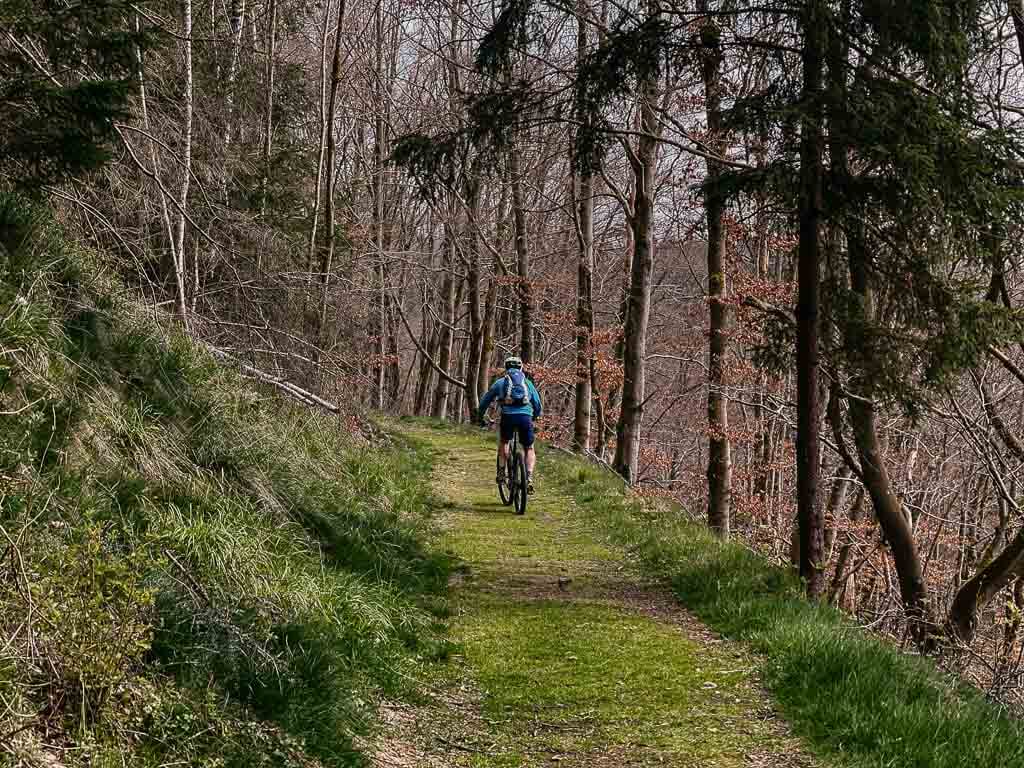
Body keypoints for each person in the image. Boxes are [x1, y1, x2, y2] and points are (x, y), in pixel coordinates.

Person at [477, 355, 543, 494]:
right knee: (529, 448)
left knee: (504, 441)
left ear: (506, 368)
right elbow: (537, 405)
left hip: (508, 416)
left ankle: (501, 472)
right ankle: (529, 478)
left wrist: (480, 416)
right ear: (521, 368)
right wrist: (535, 417)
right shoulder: (528, 384)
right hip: (525, 417)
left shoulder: (500, 383)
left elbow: (485, 401)